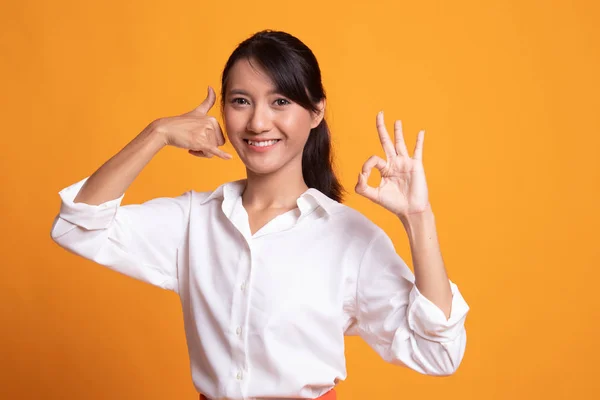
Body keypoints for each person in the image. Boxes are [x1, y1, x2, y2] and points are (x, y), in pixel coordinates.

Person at [50, 30, 469, 400]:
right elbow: (76, 226)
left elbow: (438, 352)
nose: (257, 122)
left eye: (280, 101)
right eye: (241, 101)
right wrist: (156, 133)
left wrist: (418, 218)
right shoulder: (194, 220)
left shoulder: (349, 238)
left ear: (316, 112)